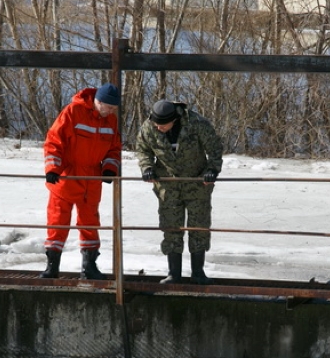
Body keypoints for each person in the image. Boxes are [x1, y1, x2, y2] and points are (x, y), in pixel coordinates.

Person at [135, 99, 223, 285]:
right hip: (168, 186)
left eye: (162, 125)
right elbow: (143, 150)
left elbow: (215, 148)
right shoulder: (149, 128)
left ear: (174, 120)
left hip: (197, 183)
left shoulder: (197, 123)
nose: (158, 128)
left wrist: (212, 170)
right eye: (156, 124)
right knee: (171, 227)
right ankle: (174, 274)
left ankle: (198, 273)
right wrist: (147, 167)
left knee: (198, 227)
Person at [40, 83, 122, 279]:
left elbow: (114, 149)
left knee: (90, 223)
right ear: (98, 101)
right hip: (66, 176)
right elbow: (54, 141)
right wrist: (52, 168)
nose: (110, 112)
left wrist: (109, 169)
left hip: (91, 178)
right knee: (58, 221)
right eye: (108, 107)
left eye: (113, 109)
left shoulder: (110, 120)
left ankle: (90, 267)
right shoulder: (72, 111)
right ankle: (52, 266)